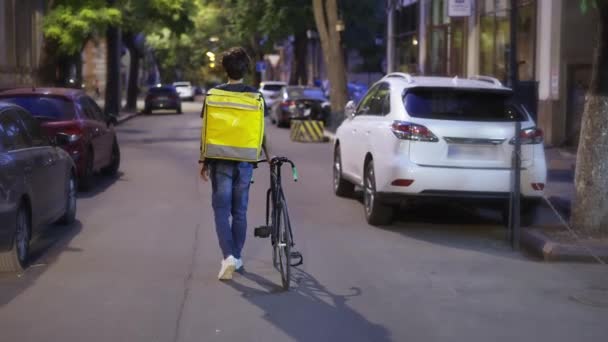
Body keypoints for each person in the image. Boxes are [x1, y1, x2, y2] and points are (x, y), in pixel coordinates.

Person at [199, 47, 270, 280]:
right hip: (245, 162)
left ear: (224, 69)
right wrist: (267, 156)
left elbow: (206, 131)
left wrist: (203, 159)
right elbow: (260, 132)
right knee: (240, 211)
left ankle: (228, 255)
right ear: (246, 70)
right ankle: (236, 257)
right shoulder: (256, 97)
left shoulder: (213, 95)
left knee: (221, 210)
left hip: (220, 161)